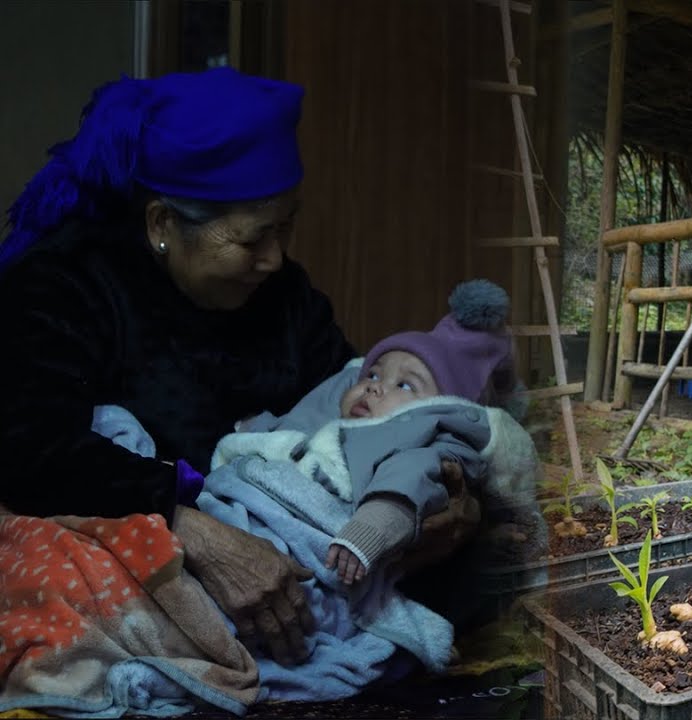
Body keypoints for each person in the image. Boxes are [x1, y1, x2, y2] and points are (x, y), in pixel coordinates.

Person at [0, 67, 359, 666]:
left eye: (286, 227)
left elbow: (349, 391)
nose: (274, 258)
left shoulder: (286, 295)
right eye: (251, 239)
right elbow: (30, 450)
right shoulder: (62, 286)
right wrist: (188, 526)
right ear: (163, 224)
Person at [208, 279, 530, 588]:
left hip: (315, 547)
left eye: (404, 385)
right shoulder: (333, 423)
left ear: (438, 406)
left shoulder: (417, 442)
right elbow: (286, 434)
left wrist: (365, 534)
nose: (375, 386)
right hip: (237, 517)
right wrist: (251, 430)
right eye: (373, 374)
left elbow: (403, 488)